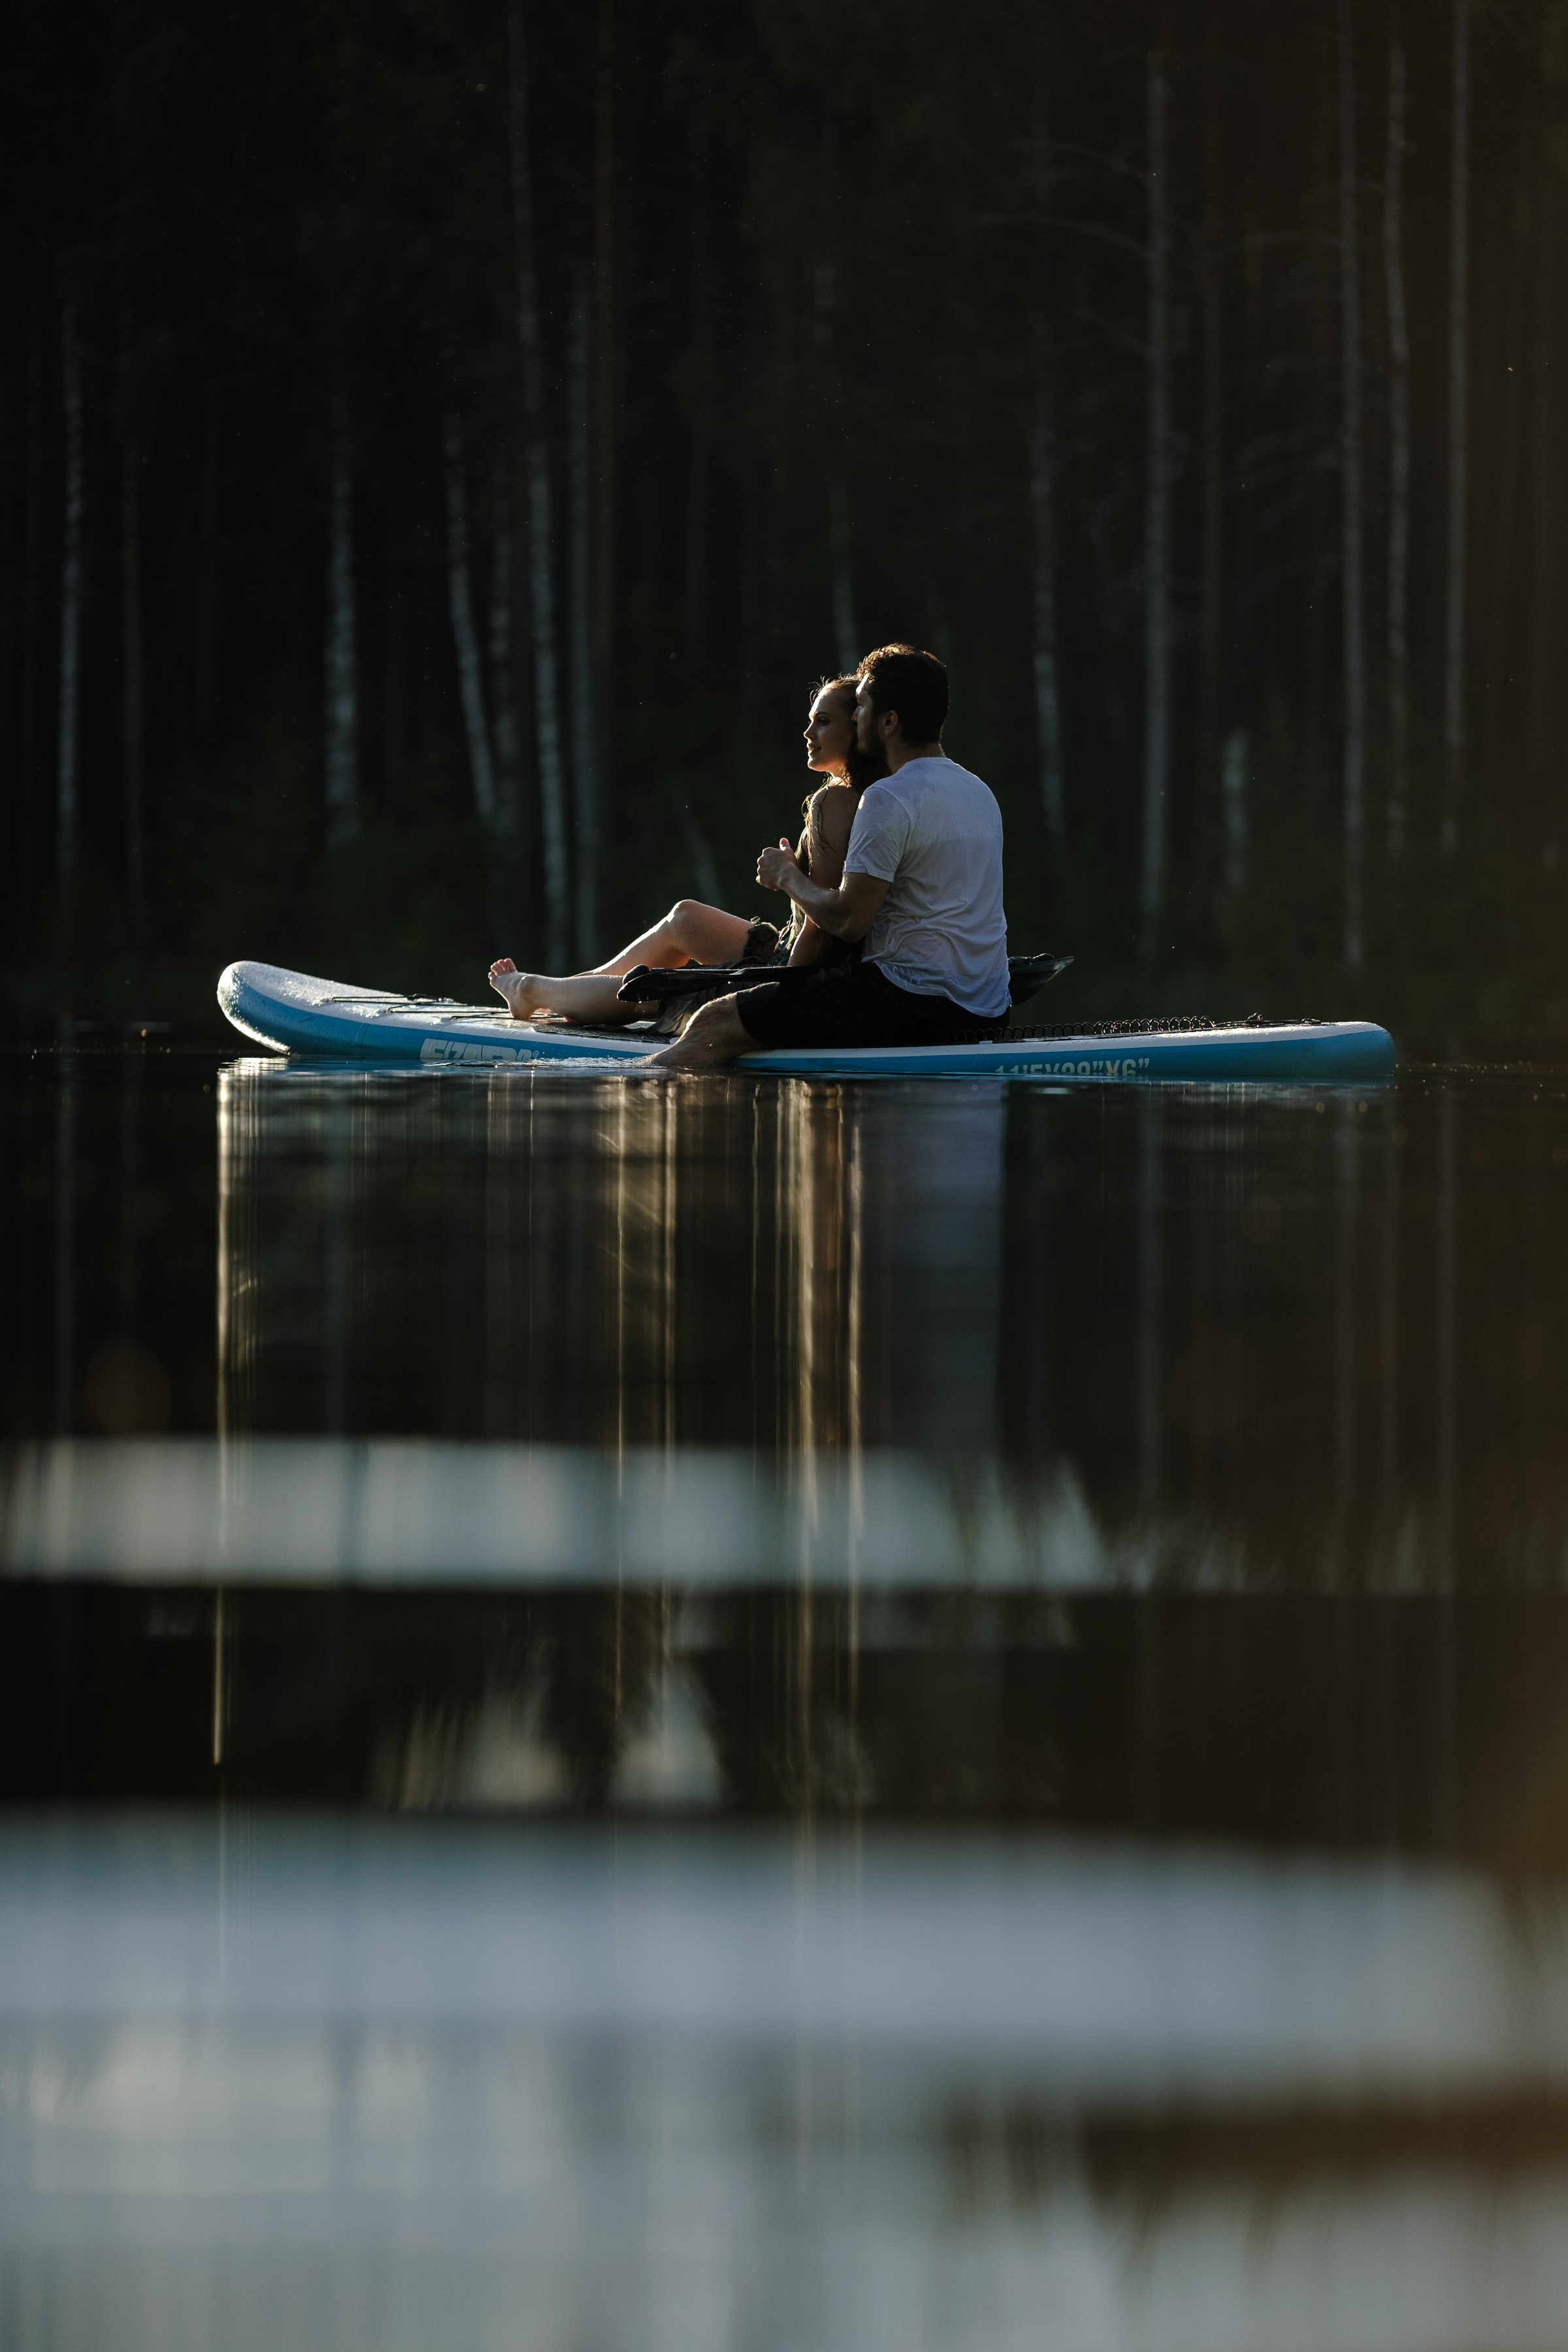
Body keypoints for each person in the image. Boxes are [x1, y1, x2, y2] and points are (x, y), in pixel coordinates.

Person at [644, 644, 1009, 1071]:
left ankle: (631, 1089)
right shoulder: (979, 792)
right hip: (989, 1008)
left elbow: (848, 922)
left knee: (714, 1021)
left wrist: (787, 876)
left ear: (889, 723)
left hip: (909, 1003)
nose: (856, 717)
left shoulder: (888, 798)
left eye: (864, 708)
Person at [487, 676, 883, 1026]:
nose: (808, 732)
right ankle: (570, 992)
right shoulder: (867, 796)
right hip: (789, 948)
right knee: (685, 917)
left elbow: (821, 928)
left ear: (858, 729)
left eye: (824, 722)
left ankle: (534, 989)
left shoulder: (835, 801)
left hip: (798, 968)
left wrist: (780, 1001)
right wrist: (797, 872)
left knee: (649, 993)